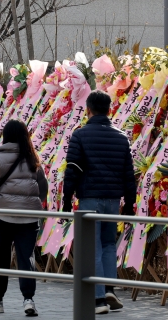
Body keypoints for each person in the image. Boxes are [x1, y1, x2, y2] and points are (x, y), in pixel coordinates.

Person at [62, 90, 136, 314]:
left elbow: (73, 169)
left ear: (88, 109)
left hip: (90, 198)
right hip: (113, 199)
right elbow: (128, 174)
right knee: (108, 244)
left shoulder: (80, 135)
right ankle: (109, 288)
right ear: (109, 109)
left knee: (91, 247)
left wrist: (67, 198)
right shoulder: (121, 137)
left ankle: (98, 300)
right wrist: (130, 203)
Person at [0, 120, 49, 317]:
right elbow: (43, 189)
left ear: (5, 136)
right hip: (29, 218)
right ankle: (28, 300)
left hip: (1, 217)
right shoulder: (33, 159)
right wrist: (31, 203)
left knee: (0, 257)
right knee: (26, 258)